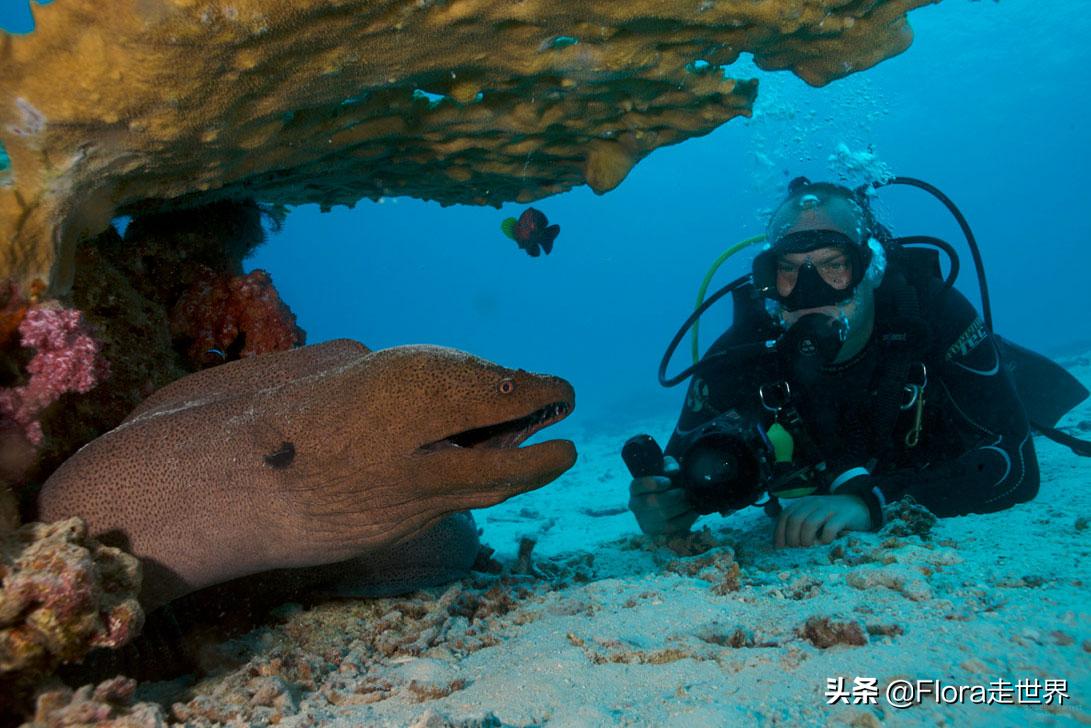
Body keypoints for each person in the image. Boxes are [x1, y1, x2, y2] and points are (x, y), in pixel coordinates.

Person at [629, 178, 1040, 547]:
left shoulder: (932, 315)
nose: (810, 291)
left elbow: (1014, 464)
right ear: (769, 280)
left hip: (944, 437)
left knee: (1032, 396)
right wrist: (665, 505)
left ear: (871, 269)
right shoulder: (740, 353)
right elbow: (676, 475)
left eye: (834, 265)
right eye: (789, 270)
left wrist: (871, 503)